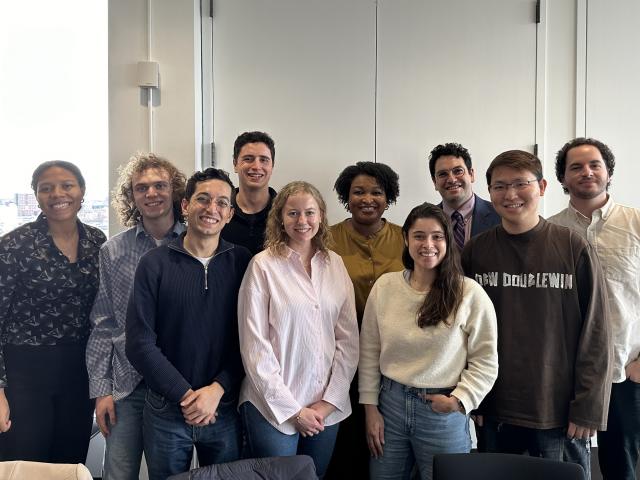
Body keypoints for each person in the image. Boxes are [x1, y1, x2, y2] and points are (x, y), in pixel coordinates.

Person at [461, 149, 612, 479]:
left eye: (520, 184)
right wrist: (471, 397)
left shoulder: (572, 247)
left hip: (558, 412)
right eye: (500, 186)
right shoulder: (476, 251)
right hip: (494, 407)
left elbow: (597, 333)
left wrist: (588, 407)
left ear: (542, 186)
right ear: (489, 192)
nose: (510, 194)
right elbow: (461, 333)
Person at [125, 168, 251, 480]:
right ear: (185, 205)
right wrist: (186, 395)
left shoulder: (243, 263)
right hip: (166, 410)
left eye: (222, 203)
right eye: (203, 199)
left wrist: (216, 390)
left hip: (223, 406)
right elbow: (139, 343)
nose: (212, 209)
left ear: (230, 214)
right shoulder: (154, 264)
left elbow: (252, 339)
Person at [359, 202, 498, 480]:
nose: (428, 244)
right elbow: (369, 352)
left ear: (447, 241)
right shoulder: (385, 287)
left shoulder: (468, 293)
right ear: (406, 240)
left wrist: (460, 401)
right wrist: (370, 410)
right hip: (391, 407)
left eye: (437, 236)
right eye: (419, 236)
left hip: (441, 411)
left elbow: (486, 360)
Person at [238, 181, 359, 479]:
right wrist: (294, 411)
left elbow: (348, 341)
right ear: (280, 217)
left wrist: (330, 401)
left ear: (321, 216)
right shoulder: (263, 266)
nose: (302, 221)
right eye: (293, 213)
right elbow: (255, 346)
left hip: (326, 410)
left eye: (309, 213)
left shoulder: (335, 264)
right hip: (273, 410)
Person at [86, 153, 186, 480]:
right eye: (141, 188)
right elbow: (104, 324)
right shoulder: (113, 251)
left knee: (169, 474)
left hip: (176, 381)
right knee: (117, 472)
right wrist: (102, 391)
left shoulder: (196, 243)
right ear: (132, 196)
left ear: (175, 191)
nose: (151, 193)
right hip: (125, 385)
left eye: (160, 185)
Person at [0, 161, 106, 463]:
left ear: (82, 191)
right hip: (24, 371)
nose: (57, 193)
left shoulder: (97, 241)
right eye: (46, 188)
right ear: (36, 196)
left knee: (70, 460)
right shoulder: (14, 245)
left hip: (78, 371)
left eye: (67, 185)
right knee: (25, 459)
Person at [548, 137, 640, 480]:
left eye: (594, 164)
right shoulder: (551, 230)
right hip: (567, 372)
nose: (586, 172)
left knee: (623, 465)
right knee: (567, 462)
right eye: (576, 167)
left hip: (624, 370)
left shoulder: (636, 223)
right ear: (562, 179)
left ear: (608, 172)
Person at [327, 161, 404, 479]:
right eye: (358, 192)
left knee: (385, 444)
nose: (367, 198)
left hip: (393, 358)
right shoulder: (327, 238)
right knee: (345, 444)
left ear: (388, 197)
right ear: (347, 197)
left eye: (376, 192)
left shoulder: (405, 237)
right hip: (339, 356)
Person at [428, 142, 500, 249]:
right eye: (443, 174)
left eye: (458, 171)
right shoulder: (426, 220)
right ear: (434, 182)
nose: (452, 179)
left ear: (471, 175)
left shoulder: (500, 216)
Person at [221, 131, 277, 254]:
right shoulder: (219, 211)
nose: (257, 166)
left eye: (264, 160)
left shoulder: (284, 213)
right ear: (235, 164)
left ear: (272, 166)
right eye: (248, 159)